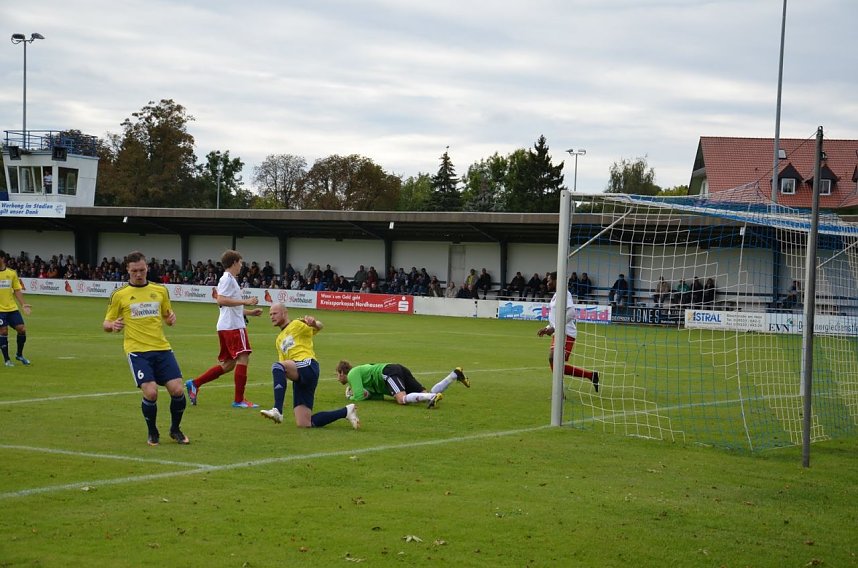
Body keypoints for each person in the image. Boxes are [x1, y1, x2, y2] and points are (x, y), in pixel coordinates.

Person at [102, 251, 190, 445]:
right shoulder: (119, 295)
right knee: (151, 392)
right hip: (137, 351)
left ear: (147, 268)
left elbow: (167, 316)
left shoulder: (160, 290)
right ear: (128, 270)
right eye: (134, 271)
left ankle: (175, 429)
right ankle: (152, 432)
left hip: (162, 348)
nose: (139, 274)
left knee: (177, 390)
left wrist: (171, 319)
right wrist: (113, 325)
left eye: (142, 270)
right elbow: (106, 323)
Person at [259, 303, 360, 429]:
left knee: (276, 366)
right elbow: (282, 369)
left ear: (284, 313)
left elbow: (320, 326)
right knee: (304, 423)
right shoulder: (279, 339)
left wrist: (314, 323)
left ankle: (277, 410)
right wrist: (281, 397)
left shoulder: (296, 324)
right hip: (299, 374)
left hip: (307, 365)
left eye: (275, 313)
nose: (271, 317)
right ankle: (347, 411)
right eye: (270, 314)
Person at [185, 250, 263, 409]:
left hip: (227, 325)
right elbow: (220, 300)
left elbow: (229, 306)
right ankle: (239, 400)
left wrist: (250, 313)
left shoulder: (228, 279)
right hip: (233, 326)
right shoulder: (227, 279)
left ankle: (195, 383)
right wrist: (246, 301)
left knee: (229, 364)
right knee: (243, 357)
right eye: (240, 262)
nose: (241, 265)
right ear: (234, 262)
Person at [536, 271, 599, 392]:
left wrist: (555, 327)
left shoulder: (564, 293)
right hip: (558, 333)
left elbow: (571, 313)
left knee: (554, 358)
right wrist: (548, 328)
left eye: (549, 280)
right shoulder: (556, 295)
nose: (547, 283)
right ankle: (590, 375)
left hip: (566, 333)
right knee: (555, 361)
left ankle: (559, 391)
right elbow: (556, 318)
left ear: (556, 280)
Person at [335, 360, 469, 408]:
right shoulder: (359, 376)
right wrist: (367, 394)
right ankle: (454, 375)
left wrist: (350, 397)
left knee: (401, 399)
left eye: (337, 375)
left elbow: (359, 396)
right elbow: (376, 396)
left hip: (387, 372)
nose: (337, 378)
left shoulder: (352, 374)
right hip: (396, 368)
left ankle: (432, 397)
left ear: (342, 373)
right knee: (425, 394)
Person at [0, 250, 32, 367]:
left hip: (12, 308)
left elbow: (17, 290)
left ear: (2, 258)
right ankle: (7, 359)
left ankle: (19, 355)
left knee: (22, 329)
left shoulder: (12, 273)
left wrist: (23, 304)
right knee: (3, 331)